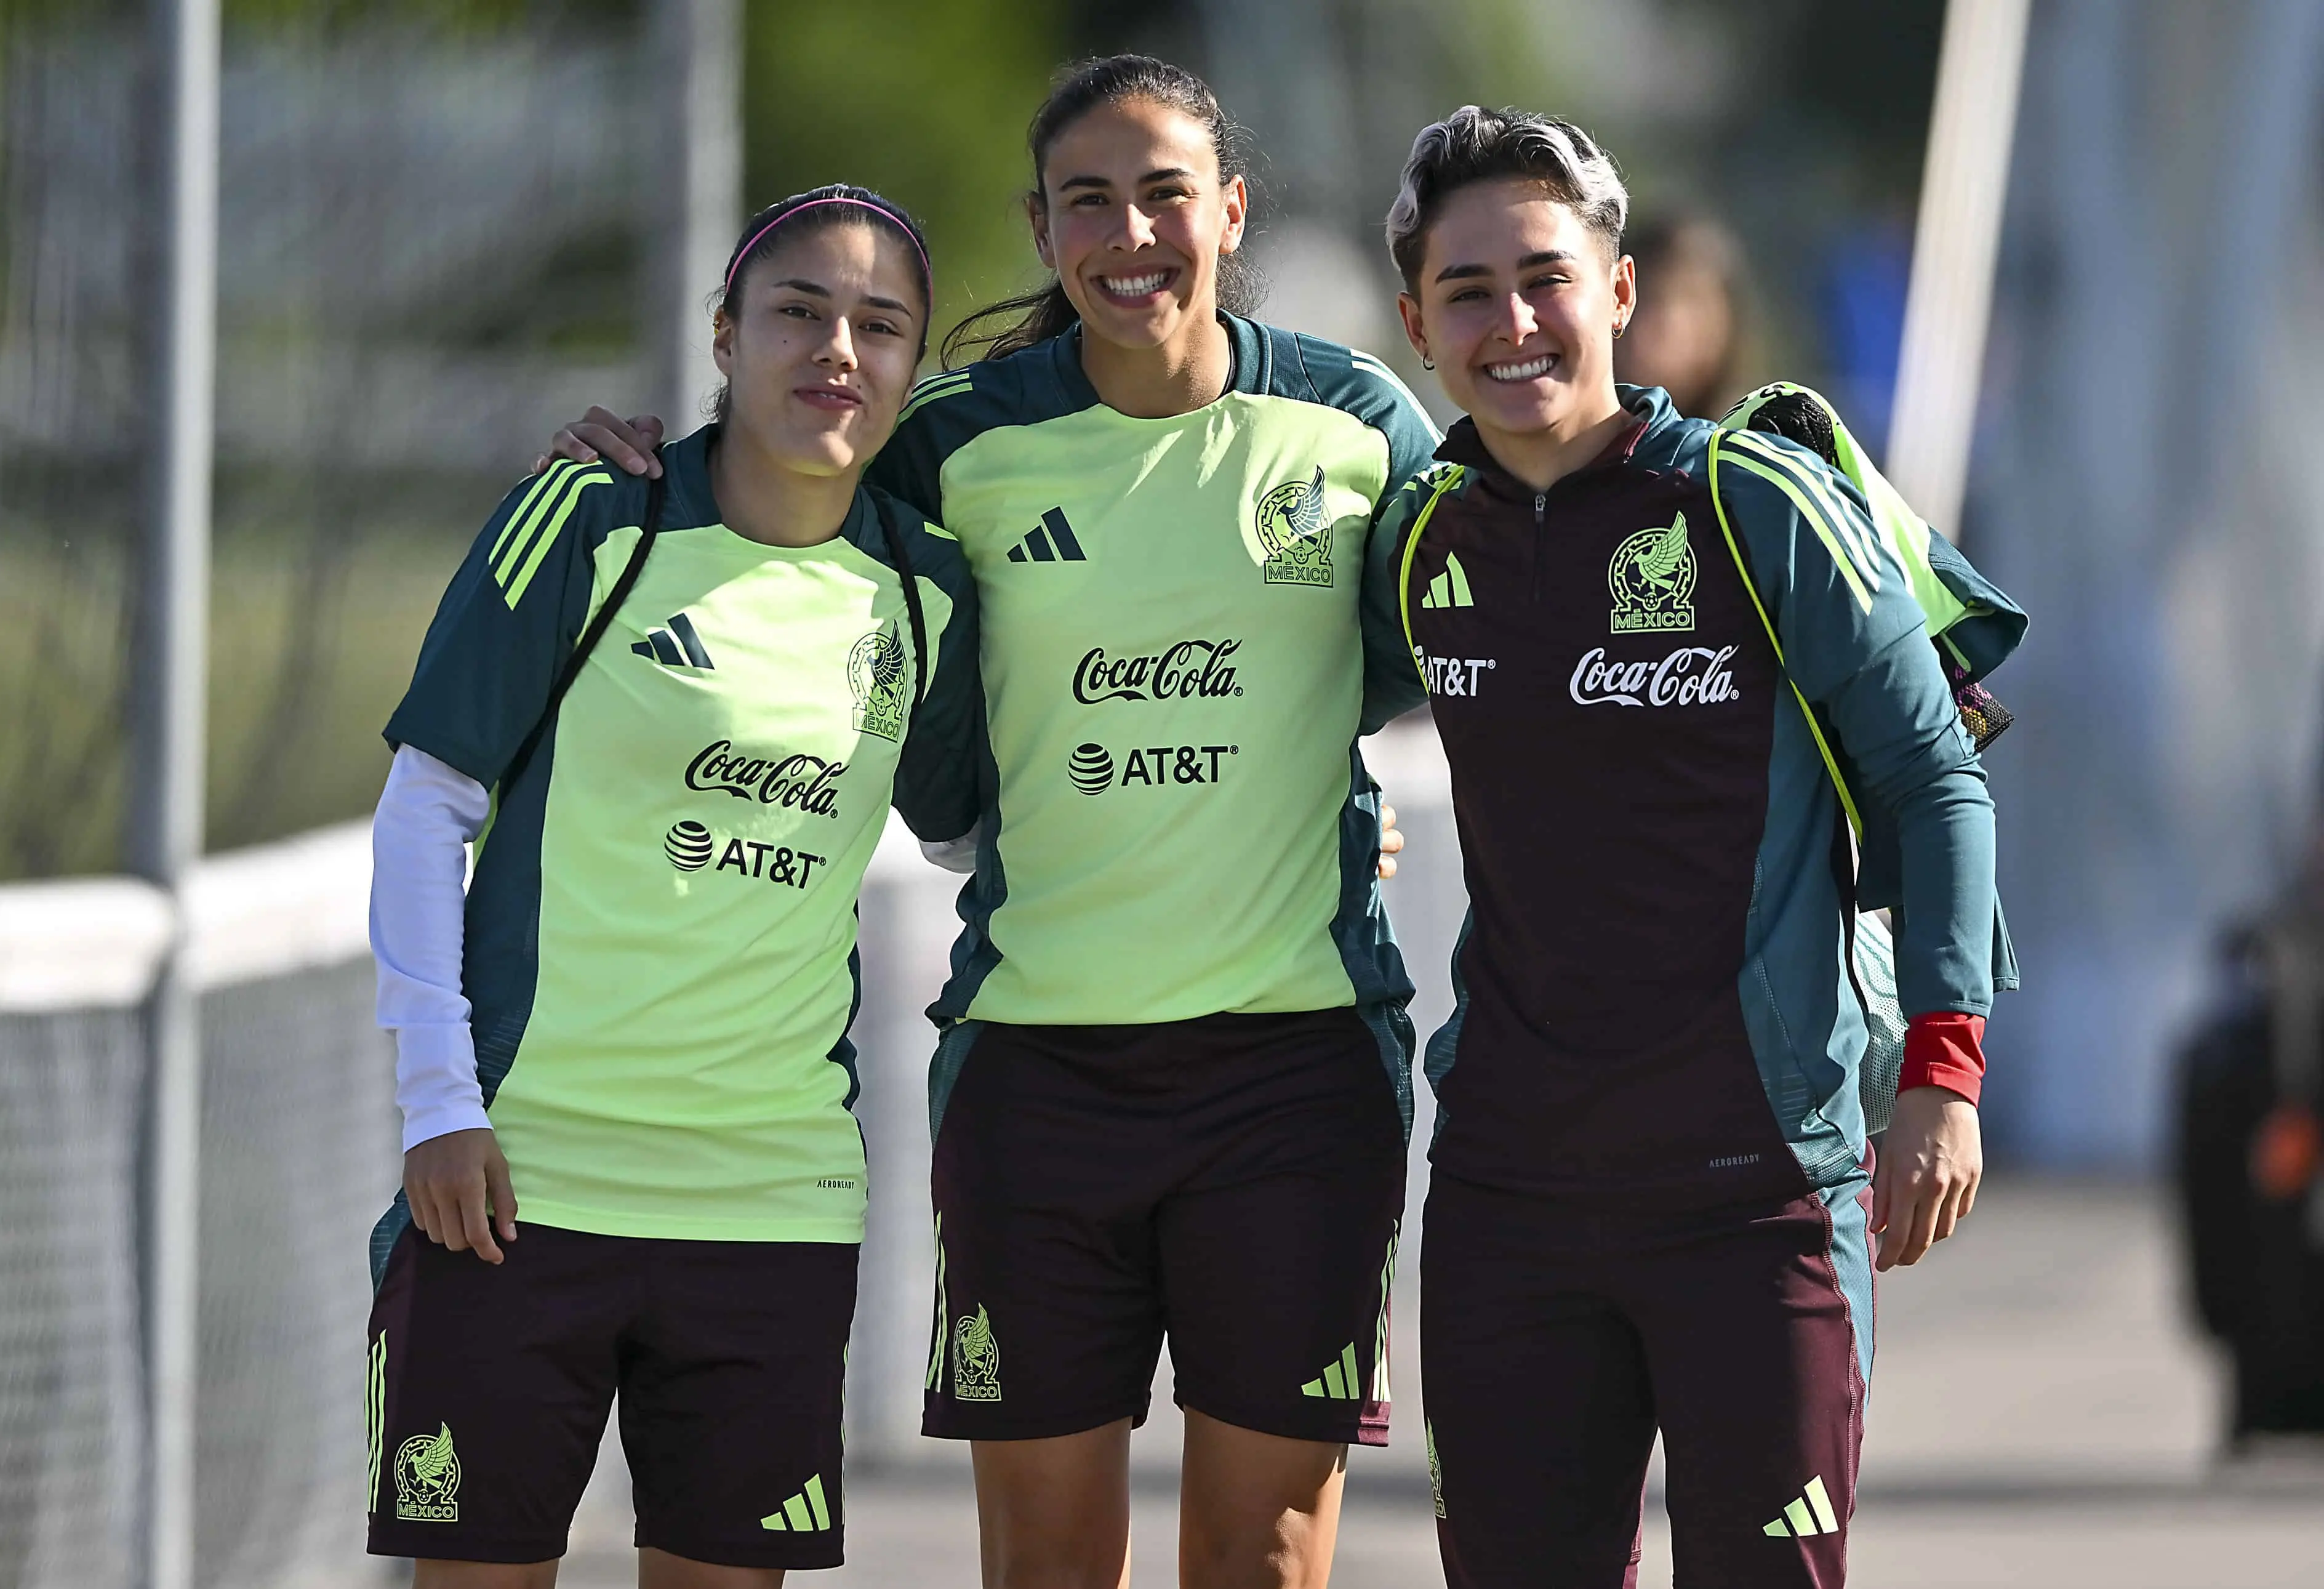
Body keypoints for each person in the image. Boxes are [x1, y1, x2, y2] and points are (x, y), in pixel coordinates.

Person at [547, 54, 1432, 1589]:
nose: (1130, 231)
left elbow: (1518, 598)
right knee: (1044, 1562)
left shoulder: (1356, 421)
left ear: (1230, 210)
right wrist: (633, 469)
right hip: (1041, 1078)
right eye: (1088, 199)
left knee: (1268, 1553)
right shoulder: (955, 441)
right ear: (1040, 226)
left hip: (1296, 1076)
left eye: (1166, 192)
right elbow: (781, 460)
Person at [1366, 107, 2022, 1588]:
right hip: (1508, 1194)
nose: (1512, 321)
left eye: (1544, 277)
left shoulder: (1754, 502)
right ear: (1416, 323)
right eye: (1466, 291)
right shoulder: (1420, 536)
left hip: (1760, 1189)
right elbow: (1279, 731)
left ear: (1616, 288)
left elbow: (1934, 782)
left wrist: (1943, 1069)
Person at [363, 184, 979, 1588]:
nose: (838, 346)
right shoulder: (595, 517)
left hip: (771, 1205)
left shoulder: (922, 587)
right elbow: (425, 811)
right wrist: (439, 1102)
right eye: (800, 310)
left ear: (908, 366)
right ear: (724, 333)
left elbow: (978, 830)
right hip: (517, 1184)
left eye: (880, 325)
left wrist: (1322, 815)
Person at [1611, 208, 1747, 421]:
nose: (1647, 328)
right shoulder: (1576, 443)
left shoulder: (1755, 441)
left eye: (1687, 299)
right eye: (1643, 298)